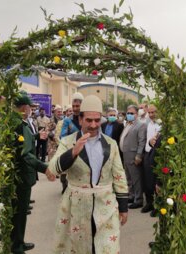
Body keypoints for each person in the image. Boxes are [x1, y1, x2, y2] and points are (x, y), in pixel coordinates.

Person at [48, 95, 128, 254]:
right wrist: (73, 152)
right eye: (89, 120)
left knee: (107, 248)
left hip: (105, 205)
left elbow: (119, 176)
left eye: (97, 120)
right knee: (79, 247)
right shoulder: (68, 141)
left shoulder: (111, 144)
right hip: (76, 205)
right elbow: (52, 169)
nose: (93, 125)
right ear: (80, 120)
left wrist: (123, 207)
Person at [11, 92, 55, 254]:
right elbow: (25, 154)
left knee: (20, 213)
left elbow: (22, 141)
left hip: (21, 175)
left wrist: (36, 135)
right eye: (30, 107)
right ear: (24, 108)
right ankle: (16, 246)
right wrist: (45, 168)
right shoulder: (18, 124)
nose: (32, 110)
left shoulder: (18, 123)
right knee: (19, 213)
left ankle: (19, 241)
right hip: (21, 175)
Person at [119, 105, 147, 209]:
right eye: (128, 113)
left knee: (136, 178)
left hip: (134, 156)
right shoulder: (128, 124)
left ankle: (138, 199)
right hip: (126, 155)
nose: (129, 115)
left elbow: (141, 141)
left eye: (132, 113)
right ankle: (131, 195)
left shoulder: (141, 125)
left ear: (137, 114)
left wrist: (139, 155)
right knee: (129, 178)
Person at [142, 104, 161, 213]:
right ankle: (150, 203)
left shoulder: (161, 125)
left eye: (153, 112)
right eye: (149, 112)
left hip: (156, 154)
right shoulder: (149, 123)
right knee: (147, 181)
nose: (151, 114)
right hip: (147, 153)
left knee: (155, 181)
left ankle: (157, 206)